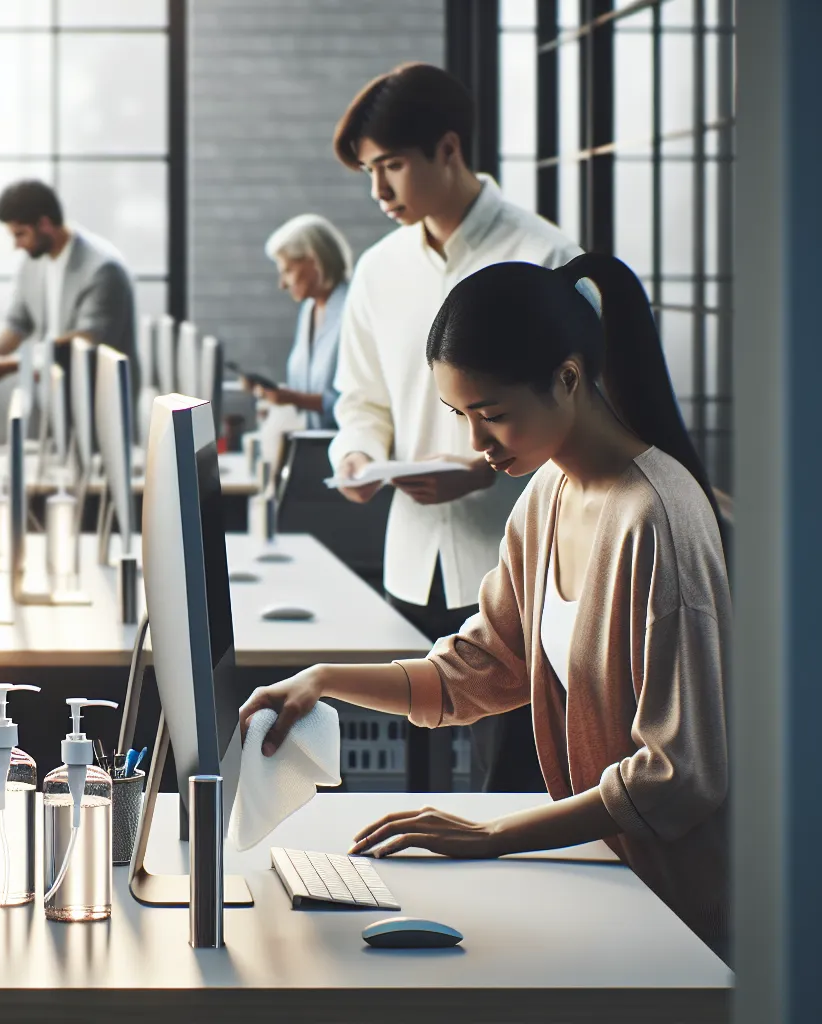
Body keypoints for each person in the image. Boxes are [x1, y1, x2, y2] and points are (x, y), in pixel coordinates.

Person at [242, 255, 730, 956]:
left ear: (567, 378)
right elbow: (480, 670)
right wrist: (323, 679)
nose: (475, 443)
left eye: (492, 415)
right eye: (460, 416)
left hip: (675, 913)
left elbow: (679, 778)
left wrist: (492, 836)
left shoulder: (657, 520)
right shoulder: (549, 493)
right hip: (607, 877)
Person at [325, 62, 580, 792]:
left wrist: (487, 465)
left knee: (517, 777)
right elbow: (362, 397)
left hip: (522, 561)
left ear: (447, 148)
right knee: (414, 766)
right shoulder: (377, 270)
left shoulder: (546, 257)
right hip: (411, 557)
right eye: (370, 172)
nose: (378, 191)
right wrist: (359, 454)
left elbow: (590, 417)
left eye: (392, 166)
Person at [0, 178, 137, 388]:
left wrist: (9, 365)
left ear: (44, 224)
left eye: (20, 234)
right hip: (54, 396)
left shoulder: (103, 269)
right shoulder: (33, 263)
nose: (16, 245)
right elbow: (16, 322)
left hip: (100, 400)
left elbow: (86, 341)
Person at [252, 213, 355, 430]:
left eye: (288, 270)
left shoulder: (353, 309)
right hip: (309, 447)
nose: (282, 284)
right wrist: (278, 397)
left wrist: (293, 398)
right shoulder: (309, 310)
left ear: (315, 261)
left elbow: (356, 402)